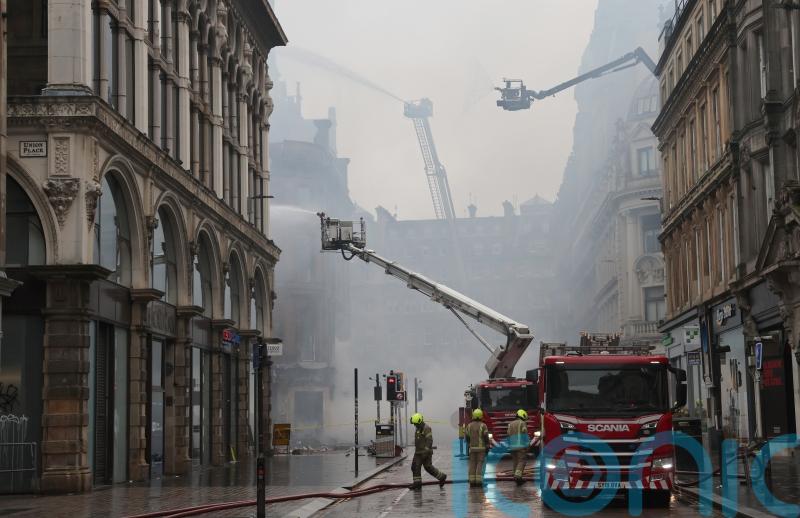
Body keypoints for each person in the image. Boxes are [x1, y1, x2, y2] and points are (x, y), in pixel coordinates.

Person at [410, 413, 447, 489]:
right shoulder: (418, 428)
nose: (415, 425)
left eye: (416, 424)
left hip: (425, 452)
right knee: (415, 467)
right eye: (414, 424)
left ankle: (442, 477)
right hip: (418, 452)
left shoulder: (426, 428)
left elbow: (429, 440)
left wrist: (426, 452)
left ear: (420, 422)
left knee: (428, 467)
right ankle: (417, 484)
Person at [465, 408, 490, 487]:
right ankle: (479, 481)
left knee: (472, 464)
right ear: (481, 416)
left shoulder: (469, 426)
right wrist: (487, 445)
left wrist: (469, 444)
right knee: (480, 464)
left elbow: (467, 437)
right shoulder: (483, 425)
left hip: (472, 449)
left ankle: (472, 482)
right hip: (481, 449)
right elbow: (486, 436)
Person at [507, 409, 530, 485]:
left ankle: (516, 476)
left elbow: (508, 435)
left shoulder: (510, 424)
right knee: (521, 461)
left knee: (515, 462)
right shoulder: (522, 423)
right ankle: (518, 477)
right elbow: (525, 434)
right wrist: (528, 444)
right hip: (521, 446)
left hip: (512, 447)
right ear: (522, 416)